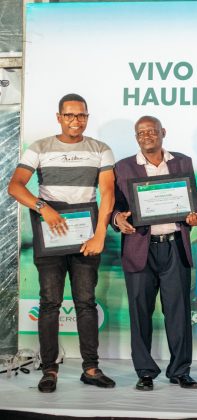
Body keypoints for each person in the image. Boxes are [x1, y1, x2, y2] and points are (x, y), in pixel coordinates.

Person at [7, 93, 116, 393]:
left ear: (87, 117)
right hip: (50, 235)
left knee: (86, 303)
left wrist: (100, 234)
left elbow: (107, 193)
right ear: (59, 117)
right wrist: (43, 207)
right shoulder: (39, 147)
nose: (75, 121)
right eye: (69, 115)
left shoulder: (101, 149)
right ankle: (49, 370)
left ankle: (91, 368)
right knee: (49, 304)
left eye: (81, 115)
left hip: (86, 237)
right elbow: (15, 186)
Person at [112, 116, 197, 391]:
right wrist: (117, 219)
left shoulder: (182, 162)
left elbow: (192, 204)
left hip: (175, 246)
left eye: (152, 131)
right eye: (141, 132)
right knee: (140, 312)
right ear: (136, 137)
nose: (147, 136)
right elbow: (114, 207)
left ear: (163, 132)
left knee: (178, 312)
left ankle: (180, 371)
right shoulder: (123, 167)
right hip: (140, 247)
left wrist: (194, 216)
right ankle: (145, 372)